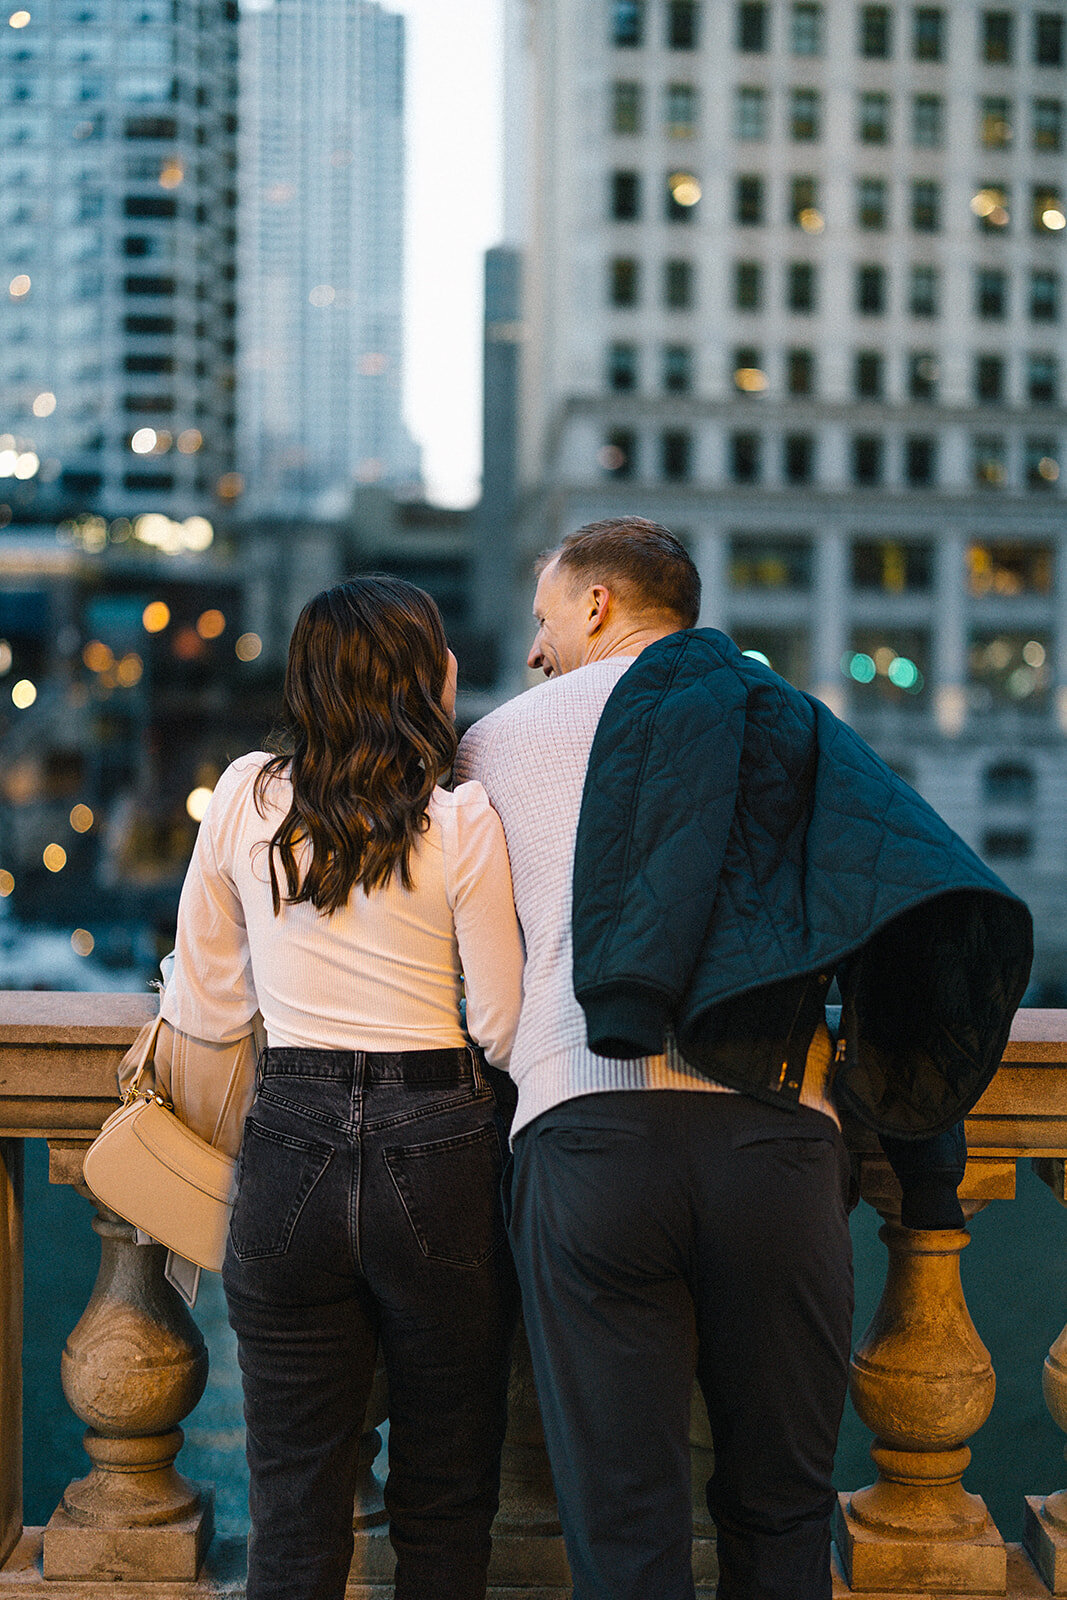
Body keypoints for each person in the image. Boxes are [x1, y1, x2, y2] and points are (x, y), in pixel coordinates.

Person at [455, 517, 1031, 1600]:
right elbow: (890, 919)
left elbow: (466, 972)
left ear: (594, 606)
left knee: (625, 1533)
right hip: (775, 1139)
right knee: (779, 1517)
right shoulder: (794, 726)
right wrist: (919, 1163)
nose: (533, 650)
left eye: (542, 620)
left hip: (588, 1136)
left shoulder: (492, 745)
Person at [161, 576, 525, 1600]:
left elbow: (209, 999)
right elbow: (498, 1022)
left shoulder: (245, 794)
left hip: (289, 1142)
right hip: (442, 1144)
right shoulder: (461, 819)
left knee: (293, 1497)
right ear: (427, 676)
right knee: (447, 1495)